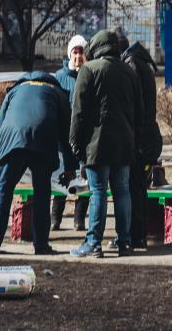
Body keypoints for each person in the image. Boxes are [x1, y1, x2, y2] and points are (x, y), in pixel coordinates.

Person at [69, 30, 142, 258]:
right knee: (122, 192)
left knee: (98, 192)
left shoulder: (89, 70)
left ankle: (94, 243)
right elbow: (139, 111)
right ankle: (124, 242)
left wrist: (75, 142)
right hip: (124, 143)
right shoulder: (129, 72)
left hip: (97, 143)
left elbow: (79, 112)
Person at [0, 71, 71, 255]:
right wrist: (71, 166)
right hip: (43, 139)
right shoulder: (57, 92)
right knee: (42, 192)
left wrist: (4, 152)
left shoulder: (14, 91)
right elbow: (66, 132)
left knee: (4, 188)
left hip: (12, 139)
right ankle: (41, 245)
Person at [120, 39, 163, 249]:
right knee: (138, 188)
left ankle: (135, 236)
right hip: (147, 138)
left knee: (134, 188)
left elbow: (134, 105)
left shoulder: (132, 65)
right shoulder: (140, 63)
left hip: (141, 141)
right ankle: (138, 235)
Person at [52, 34, 88, 231]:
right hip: (63, 137)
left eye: (81, 53)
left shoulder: (89, 75)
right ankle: (55, 218)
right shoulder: (60, 77)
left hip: (83, 137)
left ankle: (79, 219)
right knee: (62, 176)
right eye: (75, 52)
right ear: (69, 54)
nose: (78, 57)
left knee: (84, 178)